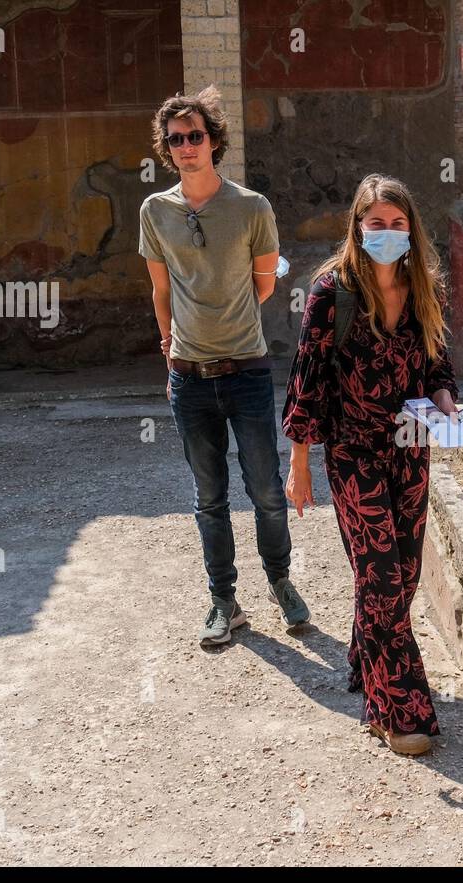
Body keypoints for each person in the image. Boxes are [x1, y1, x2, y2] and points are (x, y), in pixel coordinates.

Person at [280, 174, 459, 757]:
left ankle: (366, 658)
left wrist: (448, 403)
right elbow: (307, 379)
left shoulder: (423, 286)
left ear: (412, 229)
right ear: (358, 227)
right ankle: (397, 709)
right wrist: (299, 462)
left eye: (397, 223)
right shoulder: (332, 292)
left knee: (401, 575)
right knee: (380, 576)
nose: (387, 233)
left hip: (411, 450)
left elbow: (437, 363)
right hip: (353, 453)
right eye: (376, 223)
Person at [139, 85, 311, 647]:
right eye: (176, 140)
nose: (186, 146)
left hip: (247, 372)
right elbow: (161, 290)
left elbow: (264, 283)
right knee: (208, 497)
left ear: (214, 141)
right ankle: (224, 600)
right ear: (168, 150)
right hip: (188, 378)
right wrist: (168, 341)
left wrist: (224, 317)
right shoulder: (155, 211)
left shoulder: (252, 207)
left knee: (264, 487)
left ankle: (281, 583)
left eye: (195, 136)